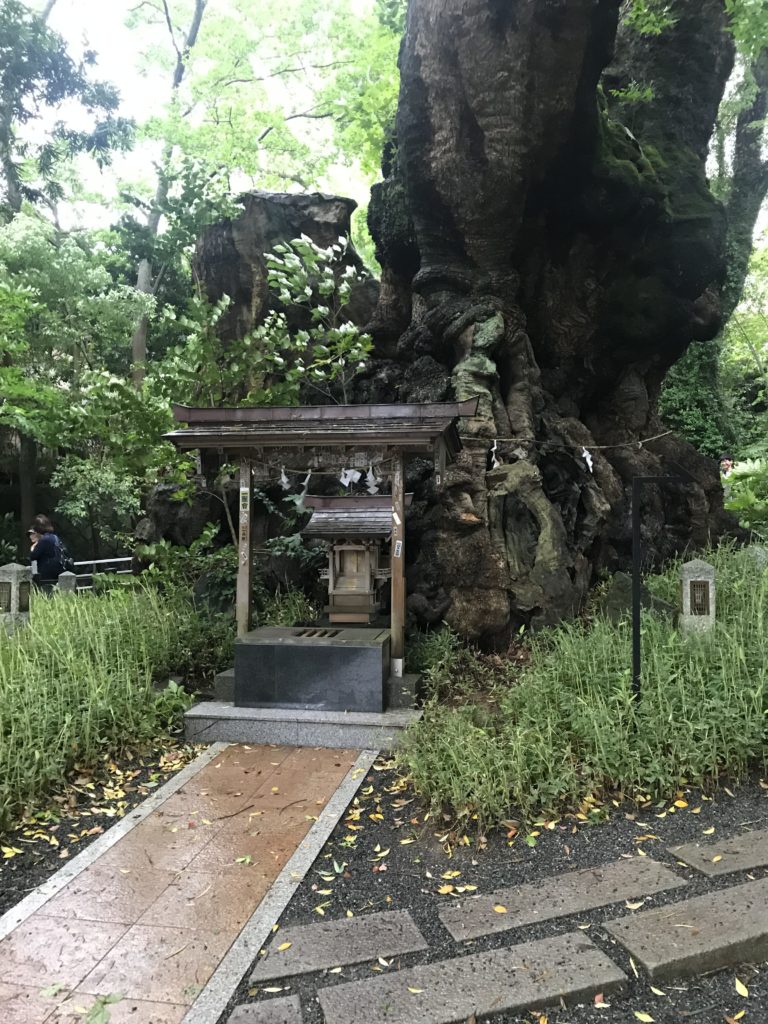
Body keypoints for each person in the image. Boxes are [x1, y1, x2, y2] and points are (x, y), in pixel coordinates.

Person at [28, 514, 65, 589]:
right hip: (58, 569)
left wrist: (32, 548)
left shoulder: (44, 540)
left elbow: (33, 556)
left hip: (47, 573)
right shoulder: (54, 537)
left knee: (47, 592)